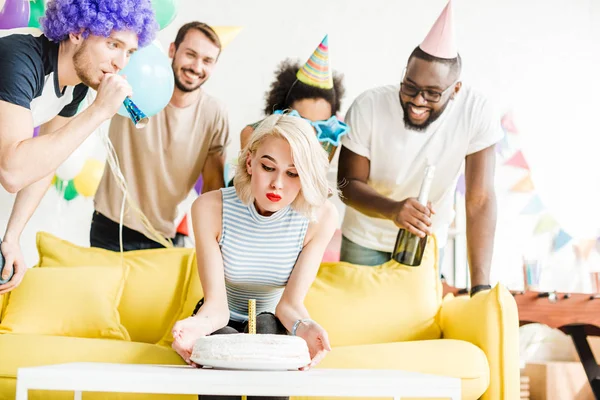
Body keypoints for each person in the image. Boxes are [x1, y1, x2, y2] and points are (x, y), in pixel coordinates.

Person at [337, 0, 503, 296]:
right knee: (364, 327)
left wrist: (480, 286)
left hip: (426, 243)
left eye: (432, 94)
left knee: (416, 327)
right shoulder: (369, 106)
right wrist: (394, 210)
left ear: (456, 90)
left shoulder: (476, 112)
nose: (417, 101)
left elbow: (479, 200)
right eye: (409, 87)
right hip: (364, 239)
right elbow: (347, 183)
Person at [171, 113, 338, 399]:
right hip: (220, 319)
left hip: (274, 321)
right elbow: (216, 307)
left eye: (292, 173)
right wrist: (196, 325)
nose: (277, 184)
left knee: (266, 326)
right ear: (250, 162)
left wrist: (306, 327)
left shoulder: (320, 217)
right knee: (223, 344)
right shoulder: (210, 208)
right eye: (268, 167)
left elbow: (290, 306)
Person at [0, 0, 158, 294]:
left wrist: (12, 237)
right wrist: (97, 111)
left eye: (129, 52)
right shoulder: (19, 58)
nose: (121, 63)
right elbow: (12, 171)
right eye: (113, 44)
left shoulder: (77, 84)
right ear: (77, 31)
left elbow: (47, 161)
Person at [90, 22, 230, 251]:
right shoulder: (132, 84)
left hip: (164, 235)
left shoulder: (215, 114)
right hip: (110, 225)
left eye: (207, 61)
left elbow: (213, 189)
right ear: (172, 50)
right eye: (190, 55)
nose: (196, 67)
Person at [239, 35, 346, 165]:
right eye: (302, 122)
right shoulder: (252, 134)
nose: (310, 133)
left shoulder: (328, 142)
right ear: (283, 111)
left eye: (321, 125)